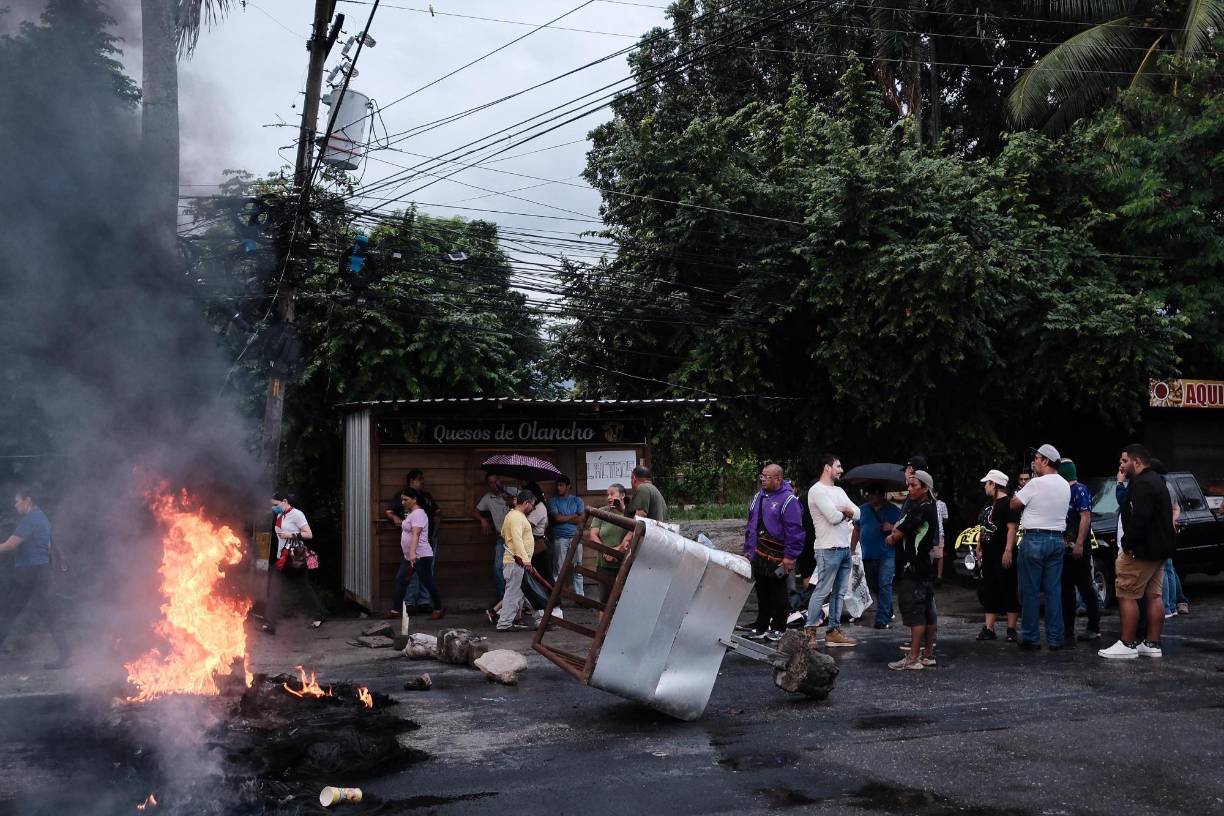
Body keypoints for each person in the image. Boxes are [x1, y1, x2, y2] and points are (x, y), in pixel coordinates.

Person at [1100, 445, 1175, 659]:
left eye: (1125, 461)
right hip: (1158, 550)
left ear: (1138, 461)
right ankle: (1152, 643)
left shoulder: (1142, 484)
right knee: (1154, 596)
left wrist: (1128, 543)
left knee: (1126, 594)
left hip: (1140, 551)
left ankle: (1127, 643)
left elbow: (1140, 518)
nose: (1121, 465)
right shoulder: (1157, 482)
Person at [0, 488, 71, 669]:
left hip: (29, 573)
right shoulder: (43, 518)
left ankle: (65, 654)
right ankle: (65, 654)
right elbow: (47, 547)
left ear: (27, 501)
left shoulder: (30, 520)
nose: (15, 505)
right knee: (45, 613)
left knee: (10, 610)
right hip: (41, 572)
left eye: (17, 501)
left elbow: (10, 545)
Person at [1009, 444, 1070, 651]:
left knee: (1031, 591)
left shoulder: (1035, 483)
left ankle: (1031, 637)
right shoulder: (1064, 485)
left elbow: (1014, 503)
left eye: (1037, 458)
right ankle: (1055, 638)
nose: (1034, 461)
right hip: (1057, 539)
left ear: (1046, 461)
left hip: (1034, 538)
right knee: (1053, 591)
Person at [803, 454, 861, 648]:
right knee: (822, 591)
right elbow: (833, 517)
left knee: (839, 593)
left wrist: (845, 511)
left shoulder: (839, 491)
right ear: (827, 467)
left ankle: (833, 631)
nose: (841, 470)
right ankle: (810, 630)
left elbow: (859, 512)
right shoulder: (817, 491)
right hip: (827, 549)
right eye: (838, 466)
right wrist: (846, 511)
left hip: (844, 548)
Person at [743, 464, 804, 641]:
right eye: (762, 476)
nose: (763, 480)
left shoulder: (788, 500)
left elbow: (795, 531)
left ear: (778, 479)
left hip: (779, 554)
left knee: (779, 592)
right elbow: (751, 525)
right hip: (759, 552)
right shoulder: (758, 497)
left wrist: (790, 557)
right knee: (762, 591)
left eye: (767, 477)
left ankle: (779, 628)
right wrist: (748, 549)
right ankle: (761, 626)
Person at [886, 471, 940, 670]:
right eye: (908, 485)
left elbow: (896, 533)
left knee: (916, 612)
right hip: (922, 566)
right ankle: (927, 654)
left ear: (925, 488)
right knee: (927, 610)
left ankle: (914, 657)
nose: (909, 489)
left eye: (913, 485)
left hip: (913, 567)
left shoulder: (922, 509)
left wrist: (894, 534)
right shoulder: (924, 507)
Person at [265, 491, 326, 633]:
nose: (273, 508)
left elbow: (309, 534)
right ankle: (270, 624)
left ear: (284, 501)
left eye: (275, 505)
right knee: (275, 590)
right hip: (282, 558)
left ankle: (320, 615)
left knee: (304, 589)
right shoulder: (280, 515)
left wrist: (290, 534)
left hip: (294, 559)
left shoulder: (297, 514)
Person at [1056, 459, 1100, 645]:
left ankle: (1093, 627)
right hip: (1065, 547)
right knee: (1066, 589)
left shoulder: (1079, 490)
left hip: (1078, 547)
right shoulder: (1062, 492)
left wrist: (1080, 544)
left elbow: (1085, 517)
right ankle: (1068, 631)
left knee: (1085, 586)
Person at [384, 469, 440, 613]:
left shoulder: (423, 501)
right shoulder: (403, 497)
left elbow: (434, 515)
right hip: (411, 551)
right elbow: (390, 511)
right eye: (419, 479)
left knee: (423, 577)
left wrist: (433, 532)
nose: (422, 481)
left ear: (413, 500)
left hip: (419, 549)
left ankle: (426, 603)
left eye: (405, 500)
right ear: (411, 481)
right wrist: (396, 519)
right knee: (407, 577)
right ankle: (406, 604)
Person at [974, 469, 1020, 642]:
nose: (985, 487)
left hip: (1002, 552)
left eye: (987, 483)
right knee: (989, 588)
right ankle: (989, 627)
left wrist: (1008, 550)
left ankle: (1011, 628)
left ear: (994, 484)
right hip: (989, 552)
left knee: (1008, 587)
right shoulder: (988, 506)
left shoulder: (1009, 503)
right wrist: (979, 546)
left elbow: (1011, 528)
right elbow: (983, 527)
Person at [391, 487, 443, 621]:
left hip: (421, 555)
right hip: (409, 556)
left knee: (427, 581)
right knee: (400, 579)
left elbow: (416, 534)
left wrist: (413, 553)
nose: (402, 502)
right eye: (402, 499)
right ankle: (395, 610)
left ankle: (438, 608)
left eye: (406, 499)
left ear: (414, 500)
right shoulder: (411, 514)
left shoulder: (419, 513)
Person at [854, 484, 902, 630]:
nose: (870, 496)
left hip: (887, 553)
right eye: (868, 493)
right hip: (868, 553)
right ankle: (887, 609)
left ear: (881, 494)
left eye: (873, 493)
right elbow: (856, 530)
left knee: (884, 584)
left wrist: (892, 527)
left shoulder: (893, 510)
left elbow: (903, 528)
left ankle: (881, 619)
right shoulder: (862, 510)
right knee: (873, 585)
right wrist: (851, 550)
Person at [474, 473, 519, 603]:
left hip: (516, 537)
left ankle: (518, 602)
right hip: (502, 538)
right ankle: (502, 600)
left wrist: (512, 501)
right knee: (498, 568)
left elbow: (528, 505)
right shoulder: (488, 497)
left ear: (500, 480)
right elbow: (475, 511)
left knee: (517, 570)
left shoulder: (513, 491)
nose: (494, 485)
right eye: (491, 483)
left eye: (496, 481)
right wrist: (483, 520)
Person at [497, 490, 537, 632]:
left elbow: (503, 533)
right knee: (513, 594)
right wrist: (525, 560)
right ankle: (504, 623)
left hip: (515, 561)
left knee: (518, 593)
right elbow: (517, 539)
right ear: (526, 503)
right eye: (532, 504)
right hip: (517, 562)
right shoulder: (517, 518)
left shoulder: (512, 516)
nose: (533, 508)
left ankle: (540, 618)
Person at [588, 484, 629, 614]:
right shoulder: (602, 512)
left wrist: (617, 550)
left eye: (612, 494)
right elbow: (593, 534)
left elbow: (632, 536)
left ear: (622, 496)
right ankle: (603, 632)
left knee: (625, 601)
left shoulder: (629, 513)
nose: (609, 497)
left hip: (624, 563)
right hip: (604, 563)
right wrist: (605, 550)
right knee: (604, 602)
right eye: (608, 494)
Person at [548, 475, 586, 596]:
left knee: (578, 567)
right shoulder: (552, 501)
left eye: (561, 485)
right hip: (560, 538)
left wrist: (564, 518)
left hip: (575, 538)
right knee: (559, 569)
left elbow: (582, 519)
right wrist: (574, 515)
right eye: (557, 485)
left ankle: (580, 596)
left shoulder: (577, 500)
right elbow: (557, 518)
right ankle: (556, 597)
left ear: (568, 486)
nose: (559, 488)